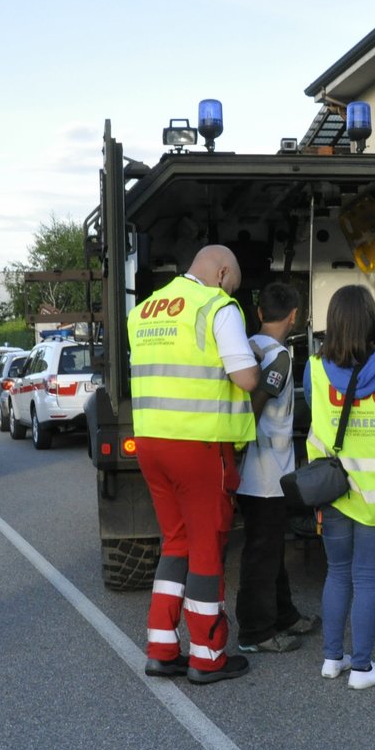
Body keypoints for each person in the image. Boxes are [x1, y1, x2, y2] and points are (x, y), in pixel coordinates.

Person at [128, 245, 260, 685]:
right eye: (233, 284)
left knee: (176, 542)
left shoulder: (145, 310)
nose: (231, 290)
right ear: (222, 274)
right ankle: (207, 656)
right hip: (198, 444)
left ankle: (162, 649)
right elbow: (244, 377)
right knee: (206, 546)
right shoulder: (217, 306)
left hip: (150, 440)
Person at [305, 284, 375, 689]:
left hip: (332, 489)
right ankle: (363, 668)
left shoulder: (313, 368)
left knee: (337, 573)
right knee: (368, 579)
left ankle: (333, 658)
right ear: (371, 318)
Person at [234, 281, 318, 654]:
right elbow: (258, 402)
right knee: (262, 553)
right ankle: (255, 632)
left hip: (253, 471)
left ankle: (284, 615)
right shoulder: (280, 358)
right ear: (295, 316)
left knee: (270, 549)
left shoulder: (244, 347)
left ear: (260, 313)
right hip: (264, 472)